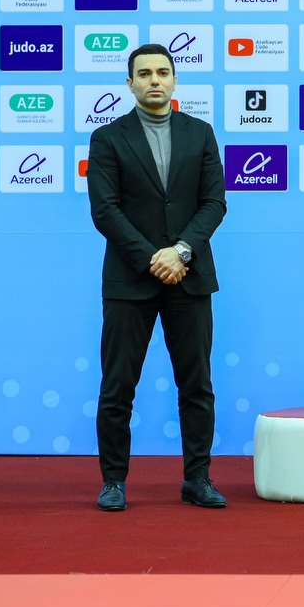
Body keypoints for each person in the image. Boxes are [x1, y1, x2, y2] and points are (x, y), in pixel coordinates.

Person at [88, 44, 228, 511]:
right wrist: (154, 258)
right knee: (117, 387)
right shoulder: (108, 138)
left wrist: (181, 251)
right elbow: (105, 210)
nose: (154, 80)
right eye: (144, 73)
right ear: (130, 84)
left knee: (197, 386)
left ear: (174, 80)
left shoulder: (200, 133)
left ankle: (198, 479)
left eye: (163, 73)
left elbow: (214, 203)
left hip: (190, 275)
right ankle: (113, 481)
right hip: (130, 281)